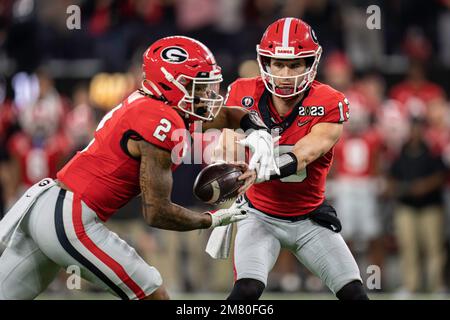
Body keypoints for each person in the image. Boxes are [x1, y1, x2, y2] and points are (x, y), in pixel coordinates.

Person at [0, 36, 278, 300]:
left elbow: (228, 114)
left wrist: (257, 131)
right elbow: (157, 212)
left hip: (46, 208)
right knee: (153, 292)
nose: (206, 95)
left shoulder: (155, 107)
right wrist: (213, 219)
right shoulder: (160, 118)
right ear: (170, 85)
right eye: (197, 86)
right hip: (70, 218)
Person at [213, 18, 368, 300]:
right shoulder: (243, 91)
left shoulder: (329, 101)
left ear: (310, 65)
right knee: (246, 291)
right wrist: (227, 164)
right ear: (265, 63)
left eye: (295, 65)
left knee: (355, 294)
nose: (286, 73)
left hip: (310, 220)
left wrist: (259, 172)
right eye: (278, 64)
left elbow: (305, 153)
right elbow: (229, 142)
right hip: (258, 216)